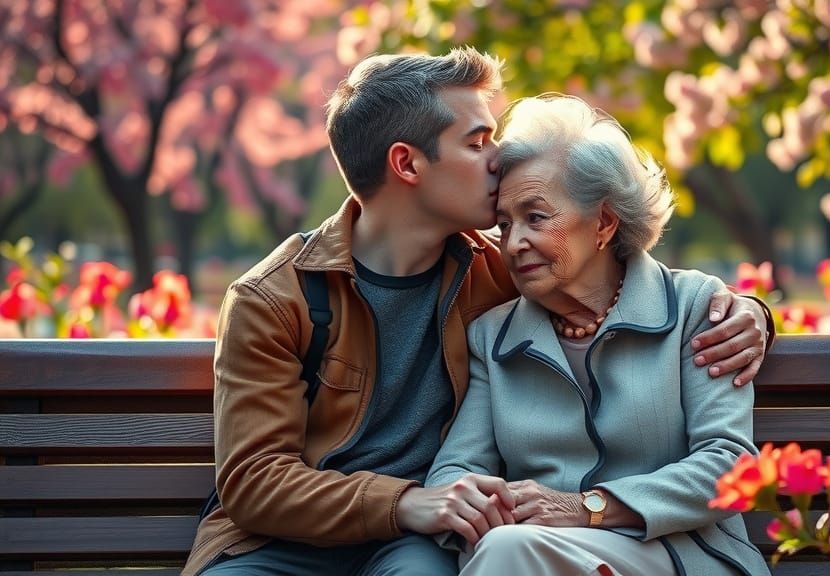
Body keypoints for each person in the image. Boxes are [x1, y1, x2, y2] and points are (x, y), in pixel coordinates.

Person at [183, 48, 772, 576]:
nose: (497, 160)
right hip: (291, 544)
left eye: (534, 217)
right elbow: (257, 479)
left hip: (436, 546)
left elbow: (615, 269)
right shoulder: (276, 298)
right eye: (476, 142)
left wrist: (751, 314)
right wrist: (417, 503)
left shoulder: (497, 277)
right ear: (407, 165)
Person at [424, 94, 772, 576]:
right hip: (538, 556)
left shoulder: (694, 307)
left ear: (604, 222)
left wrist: (586, 508)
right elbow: (456, 470)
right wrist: (475, 505)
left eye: (536, 217)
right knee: (507, 548)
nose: (514, 242)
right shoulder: (493, 337)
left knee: (509, 552)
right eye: (504, 224)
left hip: (682, 557)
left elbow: (731, 465)